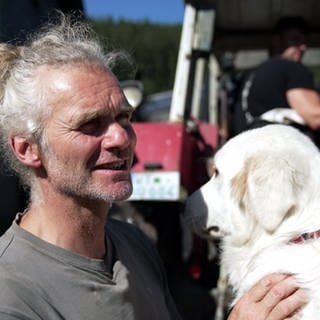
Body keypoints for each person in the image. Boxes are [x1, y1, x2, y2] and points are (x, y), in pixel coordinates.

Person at [0, 13, 307, 320]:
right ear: (27, 149)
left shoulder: (133, 246)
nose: (122, 138)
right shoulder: (12, 293)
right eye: (90, 124)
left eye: (124, 117)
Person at [232, 16, 320, 145]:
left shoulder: (249, 76)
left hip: (246, 150)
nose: (302, 47)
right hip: (285, 150)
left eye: (304, 42)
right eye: (295, 40)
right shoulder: (292, 67)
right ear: (277, 40)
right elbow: (314, 116)